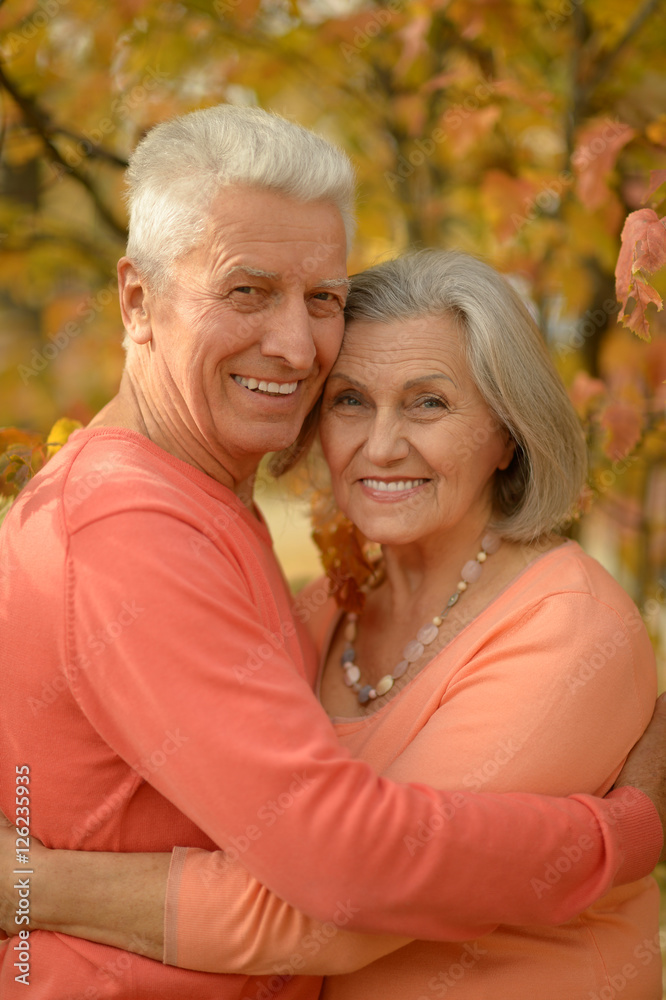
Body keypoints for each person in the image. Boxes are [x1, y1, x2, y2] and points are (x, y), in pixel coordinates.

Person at [0, 107, 664, 1000]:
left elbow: (339, 893)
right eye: (247, 291)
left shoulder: (542, 624)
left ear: (508, 433)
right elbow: (346, 879)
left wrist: (35, 883)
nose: (292, 343)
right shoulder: (136, 531)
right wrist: (624, 832)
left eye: (322, 300)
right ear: (135, 301)